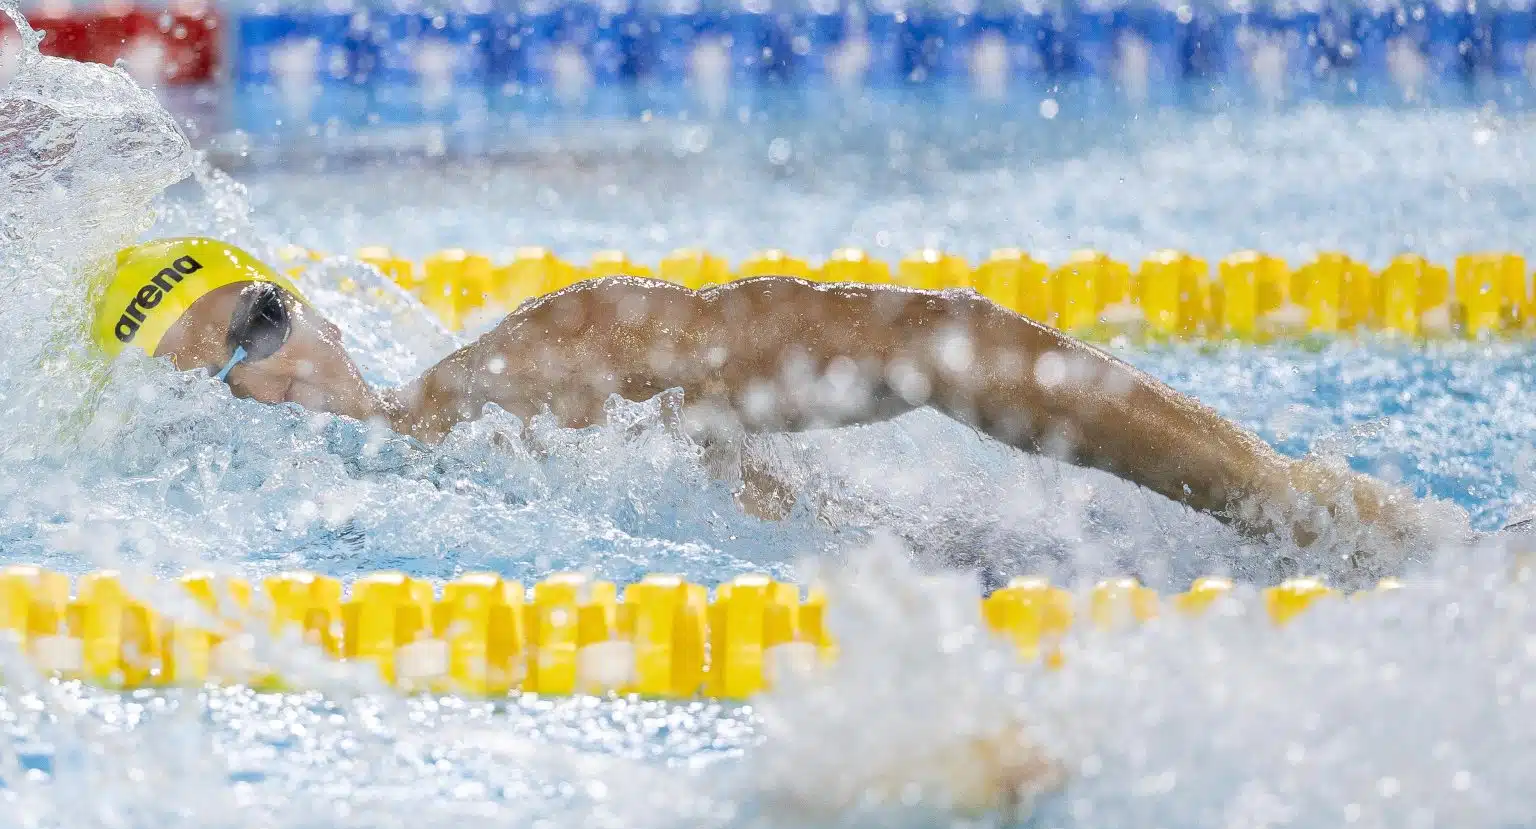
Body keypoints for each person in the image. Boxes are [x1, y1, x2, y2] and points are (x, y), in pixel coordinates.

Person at [89, 236, 1468, 554]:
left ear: (313, 308)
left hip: (994, 592)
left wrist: (1287, 501)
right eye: (210, 382)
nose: (263, 378)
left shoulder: (529, 377)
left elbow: (940, 342)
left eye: (256, 320)